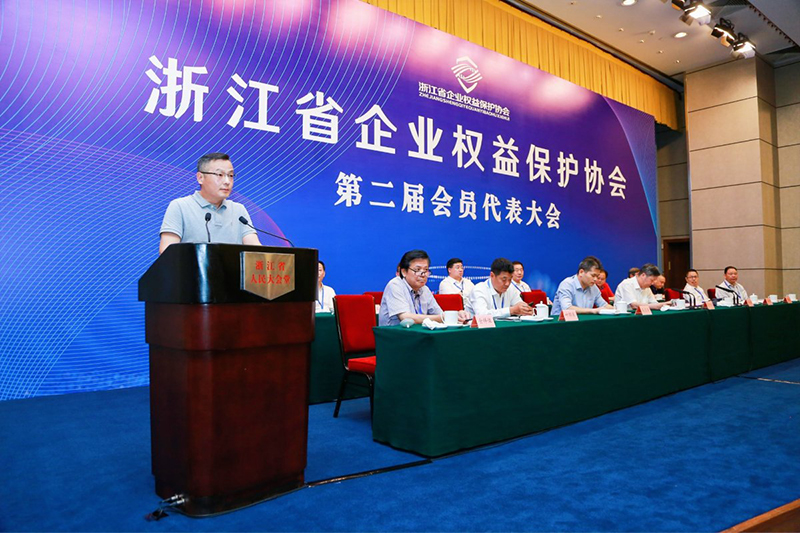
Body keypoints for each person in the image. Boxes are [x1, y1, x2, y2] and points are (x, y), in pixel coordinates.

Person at [159, 153, 261, 254]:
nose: (227, 181)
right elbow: (167, 252)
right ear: (200, 178)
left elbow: (256, 250)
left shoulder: (239, 210)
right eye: (220, 175)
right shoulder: (180, 206)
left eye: (230, 175)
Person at [379, 250, 469, 326]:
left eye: (425, 270)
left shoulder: (425, 289)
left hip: (417, 336)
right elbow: (405, 318)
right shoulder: (395, 285)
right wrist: (442, 317)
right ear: (404, 272)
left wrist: (456, 315)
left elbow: (439, 313)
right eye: (417, 270)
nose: (423, 275)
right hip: (395, 337)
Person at [466, 258, 533, 318]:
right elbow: (482, 315)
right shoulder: (479, 290)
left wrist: (525, 309)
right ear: (492, 275)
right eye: (504, 279)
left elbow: (519, 304)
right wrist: (511, 310)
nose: (507, 284)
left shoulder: (511, 288)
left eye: (510, 279)